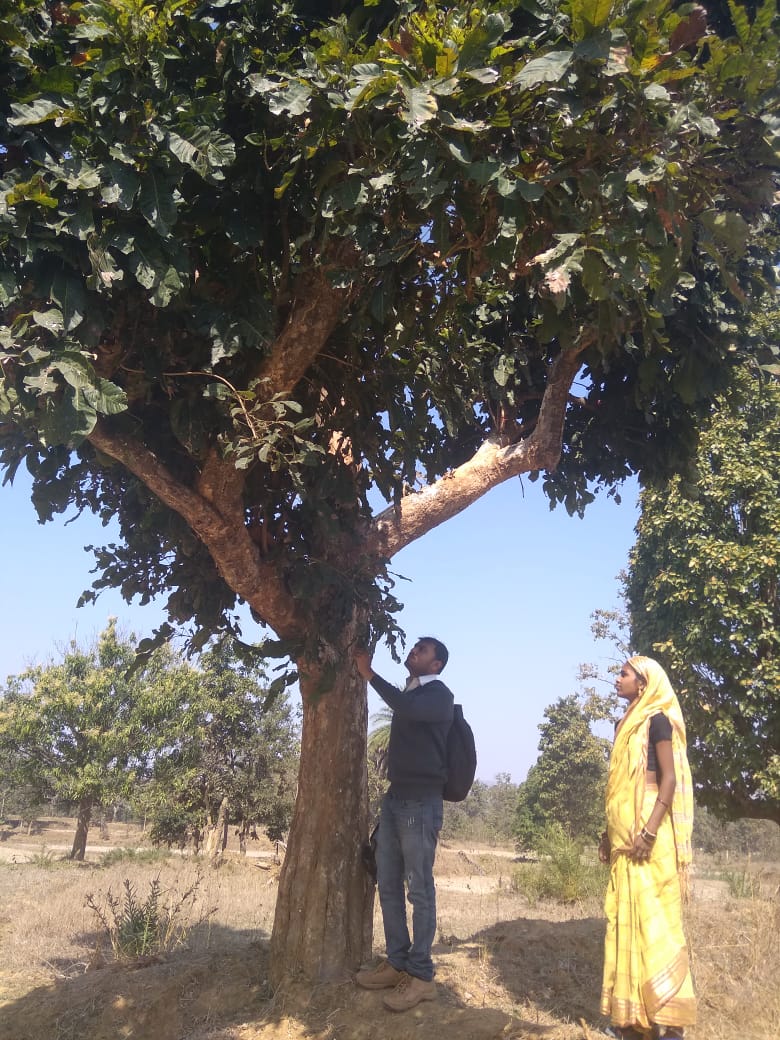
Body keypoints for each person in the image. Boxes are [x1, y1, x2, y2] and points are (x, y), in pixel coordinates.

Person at [353, 637, 454, 1013]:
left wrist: (369, 674)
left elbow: (406, 708)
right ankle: (397, 963)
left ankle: (422, 977)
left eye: (423, 649)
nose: (414, 650)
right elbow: (405, 705)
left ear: (436, 665)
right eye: (414, 646)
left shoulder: (438, 695)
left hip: (420, 803)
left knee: (419, 890)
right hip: (396, 800)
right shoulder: (412, 692)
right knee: (389, 883)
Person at [598, 656, 697, 1040]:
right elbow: (618, 786)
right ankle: (630, 1021)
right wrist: (607, 833)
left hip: (650, 836)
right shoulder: (623, 725)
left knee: (658, 928)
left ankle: (671, 1025)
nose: (617, 678)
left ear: (643, 682)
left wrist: (651, 831)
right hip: (624, 838)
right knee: (625, 923)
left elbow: (668, 780)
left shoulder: (657, 721)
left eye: (624, 673)